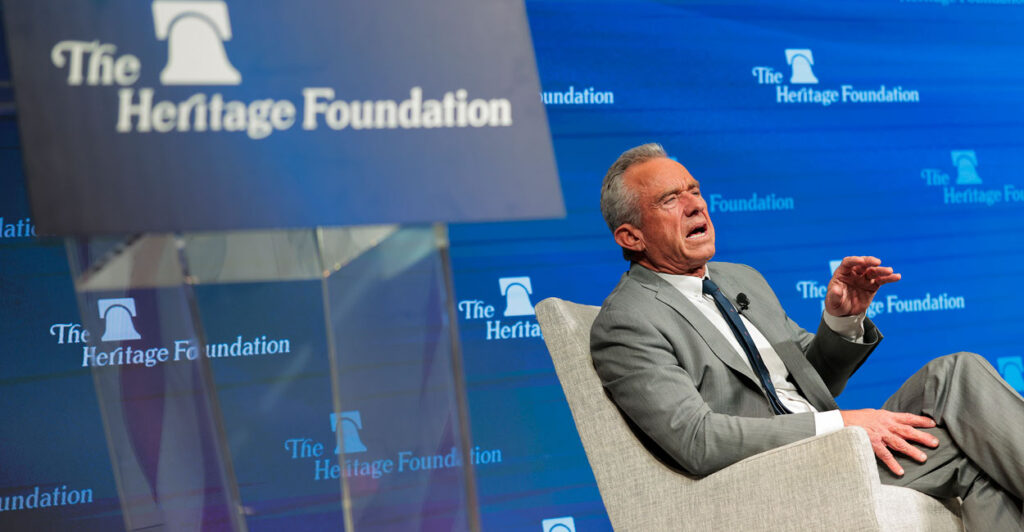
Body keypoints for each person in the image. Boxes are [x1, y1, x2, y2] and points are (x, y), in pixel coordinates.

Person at [590, 143, 1024, 531]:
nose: (695, 206)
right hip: (774, 475)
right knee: (980, 451)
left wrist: (841, 320)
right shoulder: (629, 321)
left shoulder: (740, 278)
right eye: (670, 199)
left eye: (694, 191)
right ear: (631, 236)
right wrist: (842, 424)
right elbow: (697, 441)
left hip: (836, 444)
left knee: (955, 373)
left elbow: (815, 380)